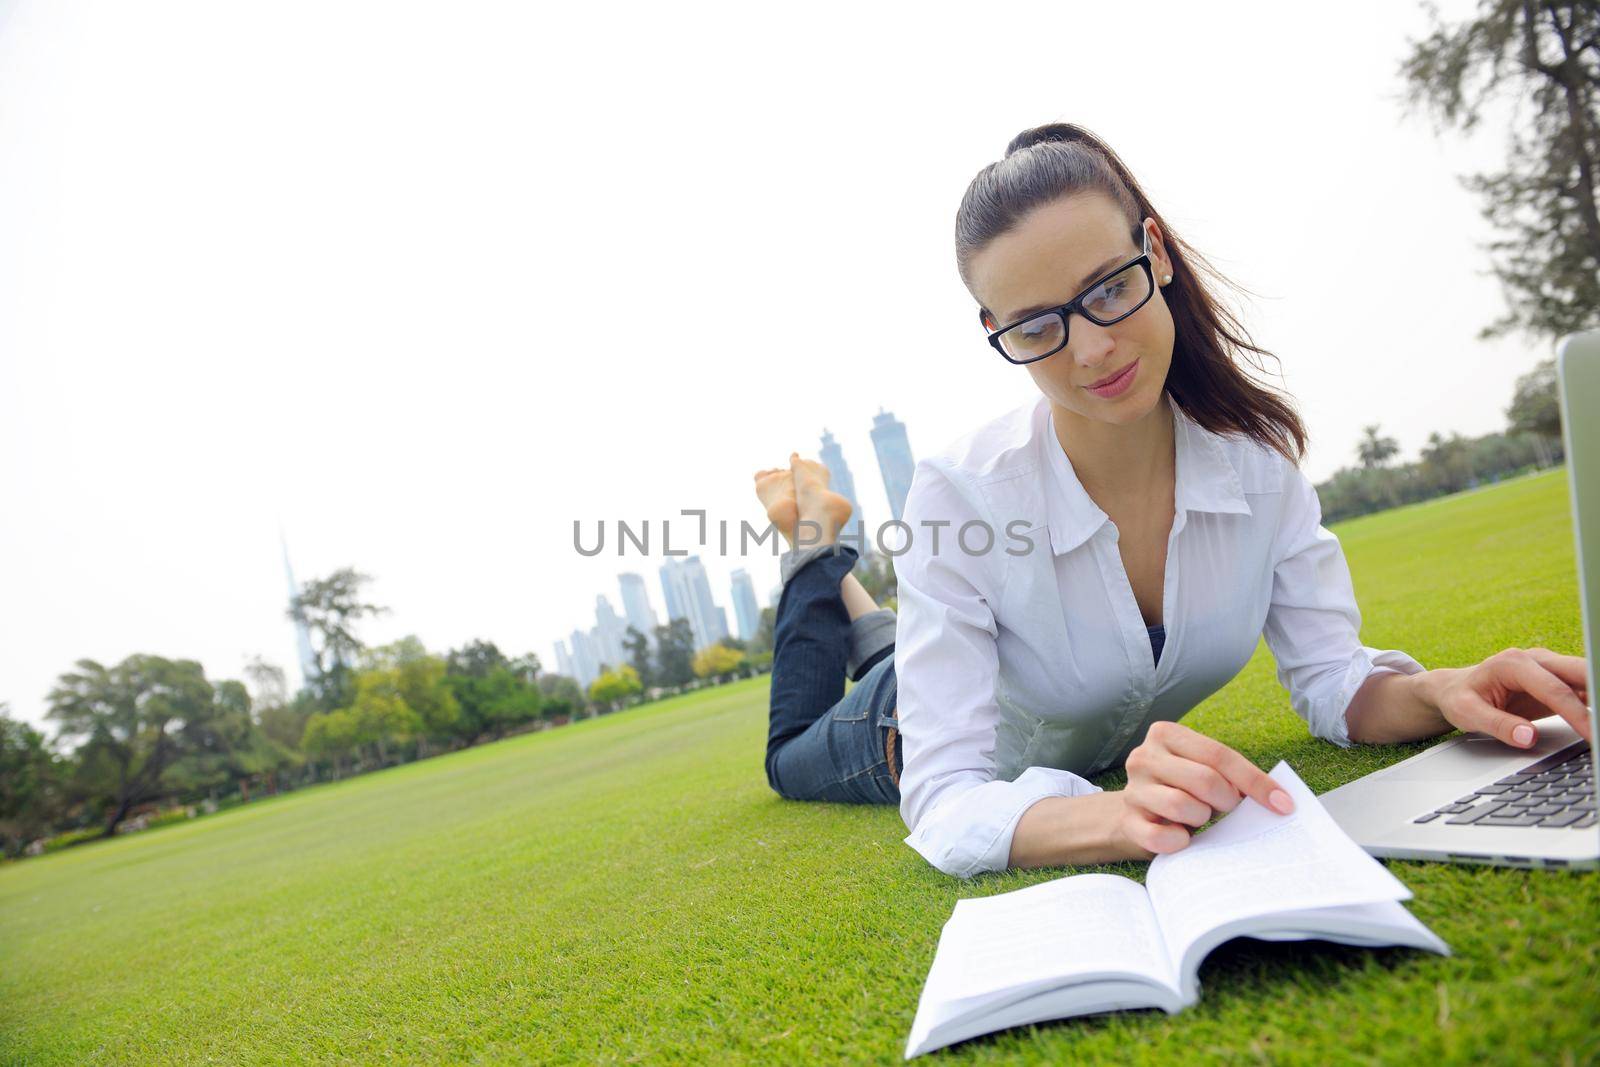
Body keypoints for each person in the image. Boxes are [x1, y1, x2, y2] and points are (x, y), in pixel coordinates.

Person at [755, 122, 1592, 880]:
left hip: (953, 652)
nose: (1091, 347)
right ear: (993, 332)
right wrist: (1117, 812)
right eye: (1038, 326)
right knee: (791, 753)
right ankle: (815, 549)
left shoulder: (1257, 466)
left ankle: (859, 598)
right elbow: (945, 798)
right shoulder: (962, 495)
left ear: (1153, 252)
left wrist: (1445, 691)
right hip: (896, 727)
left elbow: (1337, 682)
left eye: (1109, 288)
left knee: (895, 643)